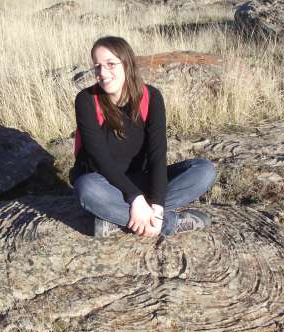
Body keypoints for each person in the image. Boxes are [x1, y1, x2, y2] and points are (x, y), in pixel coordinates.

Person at [70, 36, 217, 239]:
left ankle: (118, 221)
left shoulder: (151, 97)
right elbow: (100, 160)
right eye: (97, 67)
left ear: (127, 63)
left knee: (204, 170)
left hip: (141, 180)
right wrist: (136, 199)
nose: (102, 73)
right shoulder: (86, 100)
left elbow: (158, 154)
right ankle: (169, 223)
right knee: (87, 189)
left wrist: (156, 204)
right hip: (103, 183)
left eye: (110, 64)